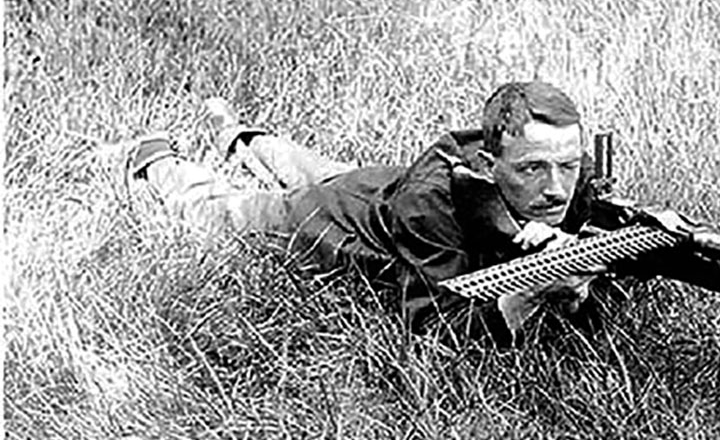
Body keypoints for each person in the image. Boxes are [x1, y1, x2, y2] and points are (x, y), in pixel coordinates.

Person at [125, 81, 606, 345]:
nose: (556, 188)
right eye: (533, 169)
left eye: (568, 165)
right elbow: (432, 329)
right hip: (341, 221)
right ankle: (157, 160)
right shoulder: (430, 207)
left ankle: (239, 137)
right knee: (227, 216)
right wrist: (525, 299)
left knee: (318, 168)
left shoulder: (564, 172)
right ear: (487, 162)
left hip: (380, 182)